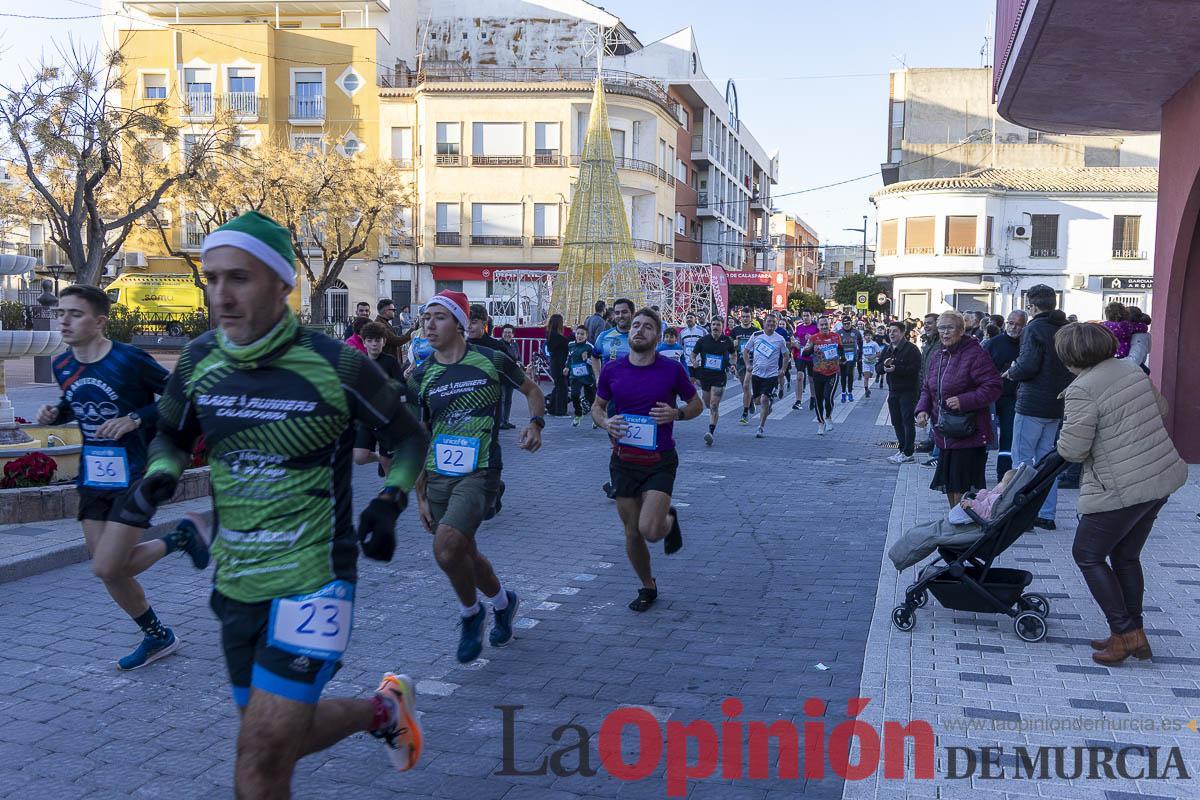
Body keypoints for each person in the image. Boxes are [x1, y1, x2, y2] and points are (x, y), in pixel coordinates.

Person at [104, 211, 429, 789]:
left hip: (316, 577)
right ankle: (383, 711)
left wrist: (391, 500)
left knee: (257, 754)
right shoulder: (199, 361)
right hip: (238, 582)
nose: (221, 296)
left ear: (282, 284)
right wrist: (160, 472)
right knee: (279, 738)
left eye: (240, 279)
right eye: (213, 278)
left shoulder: (339, 365)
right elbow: (171, 436)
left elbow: (407, 436)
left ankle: (380, 710)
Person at [37, 285, 198, 671]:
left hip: (136, 472)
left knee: (107, 567)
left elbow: (182, 395)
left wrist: (136, 418)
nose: (64, 320)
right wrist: (54, 416)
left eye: (75, 313)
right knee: (107, 566)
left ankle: (179, 539)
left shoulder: (129, 360)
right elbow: (73, 404)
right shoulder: (63, 366)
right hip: (94, 475)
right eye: (62, 312)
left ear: (100, 321)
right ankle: (158, 635)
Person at [412, 291, 546, 664]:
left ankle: (471, 614)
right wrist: (419, 494)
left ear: (459, 323)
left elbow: (533, 390)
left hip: (481, 470)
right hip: (439, 475)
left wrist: (535, 423)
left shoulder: (491, 359)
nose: (429, 324)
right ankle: (504, 603)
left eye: (439, 317)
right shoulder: (421, 376)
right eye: (426, 318)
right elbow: (419, 438)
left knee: (446, 546)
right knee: (464, 552)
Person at [1054, 322, 1188, 665]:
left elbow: (1073, 450)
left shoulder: (1082, 388)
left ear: (1070, 356)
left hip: (1122, 486)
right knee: (1125, 556)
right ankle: (1135, 634)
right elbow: (1162, 409)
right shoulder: (1130, 369)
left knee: (1087, 553)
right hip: (1158, 478)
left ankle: (1125, 633)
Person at [592, 307, 704, 612]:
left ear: (657, 336)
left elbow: (697, 404)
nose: (639, 330)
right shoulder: (613, 370)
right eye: (636, 326)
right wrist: (606, 423)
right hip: (623, 460)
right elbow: (597, 407)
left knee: (650, 531)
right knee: (632, 532)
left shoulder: (671, 369)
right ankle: (647, 585)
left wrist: (676, 413)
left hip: (659, 459)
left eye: (647, 327)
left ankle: (668, 520)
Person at [1003, 284, 1073, 530]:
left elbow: (1029, 365)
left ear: (1031, 305)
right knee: (1047, 462)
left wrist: (1012, 372)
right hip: (1057, 405)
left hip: (1032, 403)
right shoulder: (1064, 328)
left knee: (1022, 461)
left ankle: (1020, 513)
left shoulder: (1034, 328)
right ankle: (1046, 514)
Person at [915, 310, 1003, 507]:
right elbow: (927, 388)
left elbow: (994, 386)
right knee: (950, 484)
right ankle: (955, 520)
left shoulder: (975, 354)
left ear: (962, 330)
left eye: (950, 328)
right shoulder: (938, 355)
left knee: (964, 487)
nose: (945, 333)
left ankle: (963, 522)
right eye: (941, 328)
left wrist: (965, 400)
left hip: (969, 433)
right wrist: (922, 410)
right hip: (945, 433)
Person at [354, 321, 408, 475]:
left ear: (384, 341)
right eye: (369, 341)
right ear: (363, 342)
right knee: (359, 457)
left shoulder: (390, 361)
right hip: (366, 418)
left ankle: (391, 493)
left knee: (387, 466)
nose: (374, 344)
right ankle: (380, 457)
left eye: (377, 340)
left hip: (386, 419)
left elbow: (401, 386)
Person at [983, 310, 1025, 481]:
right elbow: (981, 367)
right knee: (984, 436)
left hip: (1012, 398)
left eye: (1018, 324)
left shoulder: (1026, 344)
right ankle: (978, 473)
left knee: (1008, 436)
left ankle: (1003, 475)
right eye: (1011, 323)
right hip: (991, 396)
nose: (1014, 327)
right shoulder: (993, 343)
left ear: (1024, 326)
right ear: (1006, 323)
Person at [690, 316, 736, 446]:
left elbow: (733, 354)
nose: (715, 327)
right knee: (708, 403)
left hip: (719, 376)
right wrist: (694, 362)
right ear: (711, 326)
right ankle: (713, 415)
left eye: (718, 325)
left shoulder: (727, 340)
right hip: (705, 376)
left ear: (722, 327)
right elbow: (693, 355)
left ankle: (710, 432)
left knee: (714, 405)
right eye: (714, 324)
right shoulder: (703, 341)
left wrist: (732, 364)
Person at [881, 321, 922, 463]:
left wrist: (896, 369)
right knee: (896, 421)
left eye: (895, 331)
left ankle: (908, 452)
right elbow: (878, 367)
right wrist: (884, 366)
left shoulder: (912, 349)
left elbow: (915, 369)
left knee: (907, 421)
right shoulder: (888, 349)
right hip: (893, 391)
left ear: (903, 333)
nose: (891, 334)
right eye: (890, 331)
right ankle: (902, 449)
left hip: (908, 391)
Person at [744, 313, 787, 438]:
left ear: (776, 323)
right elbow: (746, 351)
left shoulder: (780, 339)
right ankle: (763, 403)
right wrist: (748, 364)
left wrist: (783, 369)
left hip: (772, 375)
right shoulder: (756, 335)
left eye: (774, 322)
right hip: (757, 373)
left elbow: (785, 356)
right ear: (764, 323)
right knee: (758, 401)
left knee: (764, 400)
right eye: (769, 321)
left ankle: (760, 428)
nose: (771, 324)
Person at [801, 315, 842, 435]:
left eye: (826, 324)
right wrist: (810, 348)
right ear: (818, 326)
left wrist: (843, 358)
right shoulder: (814, 338)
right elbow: (805, 354)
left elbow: (840, 349)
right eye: (822, 325)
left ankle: (828, 417)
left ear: (830, 325)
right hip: (818, 373)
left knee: (828, 397)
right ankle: (820, 422)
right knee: (818, 400)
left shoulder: (835, 336)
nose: (824, 326)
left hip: (833, 372)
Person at [729, 311, 759, 424]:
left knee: (746, 385)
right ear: (740, 318)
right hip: (740, 362)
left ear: (751, 318)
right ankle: (750, 401)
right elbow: (730, 347)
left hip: (752, 362)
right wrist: (734, 344)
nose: (745, 319)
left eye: (748, 317)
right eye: (744, 317)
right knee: (744, 387)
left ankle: (745, 413)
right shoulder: (735, 330)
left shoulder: (756, 331)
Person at [566, 325, 600, 426]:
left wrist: (586, 359)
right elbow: (569, 358)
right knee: (574, 395)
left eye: (582, 334)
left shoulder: (590, 347)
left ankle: (596, 418)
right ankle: (578, 414)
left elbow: (596, 361)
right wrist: (567, 367)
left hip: (588, 377)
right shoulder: (571, 345)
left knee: (591, 399)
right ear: (575, 334)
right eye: (578, 334)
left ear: (586, 336)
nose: (579, 336)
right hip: (575, 376)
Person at [594, 298, 633, 370]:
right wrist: (598, 377)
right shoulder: (604, 336)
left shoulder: (640, 337)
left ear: (632, 313)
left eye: (624, 312)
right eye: (617, 313)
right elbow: (594, 357)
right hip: (609, 381)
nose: (620, 316)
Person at [544, 313, 570, 416]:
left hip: (555, 364)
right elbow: (566, 342)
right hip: (559, 364)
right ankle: (560, 410)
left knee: (558, 386)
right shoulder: (558, 337)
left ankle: (552, 408)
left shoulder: (551, 335)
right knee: (562, 387)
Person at [792, 310, 819, 411]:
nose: (805, 318)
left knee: (812, 379)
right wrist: (795, 342)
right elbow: (795, 338)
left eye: (807, 315)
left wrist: (811, 338)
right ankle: (798, 401)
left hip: (812, 356)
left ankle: (813, 398)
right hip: (801, 355)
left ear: (811, 316)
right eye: (804, 316)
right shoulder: (799, 327)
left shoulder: (816, 327)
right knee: (799, 376)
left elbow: (820, 340)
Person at [497, 324, 522, 429]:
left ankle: (506, 420)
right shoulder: (498, 345)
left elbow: (518, 358)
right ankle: (500, 421)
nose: (507, 334)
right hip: (502, 375)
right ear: (502, 334)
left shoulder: (515, 345)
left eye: (509, 332)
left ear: (513, 334)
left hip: (512, 376)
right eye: (505, 332)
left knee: (508, 399)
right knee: (501, 399)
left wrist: (520, 363)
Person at [678, 312, 707, 384]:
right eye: (687, 318)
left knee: (700, 382)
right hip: (687, 362)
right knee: (689, 382)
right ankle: (693, 395)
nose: (689, 319)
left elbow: (708, 345)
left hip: (699, 362)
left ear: (695, 319)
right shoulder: (682, 332)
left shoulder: (702, 331)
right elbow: (680, 347)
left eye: (691, 317)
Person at [838, 316, 862, 402]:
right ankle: (844, 393)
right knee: (843, 375)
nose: (847, 325)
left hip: (852, 356)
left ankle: (850, 392)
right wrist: (840, 355)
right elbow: (837, 346)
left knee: (850, 373)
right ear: (842, 324)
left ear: (851, 323)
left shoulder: (856, 332)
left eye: (848, 323)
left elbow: (860, 343)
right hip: (842, 357)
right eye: (845, 324)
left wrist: (859, 355)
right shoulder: (839, 333)